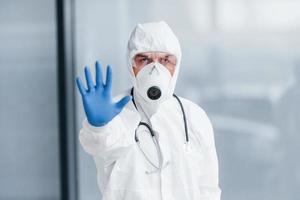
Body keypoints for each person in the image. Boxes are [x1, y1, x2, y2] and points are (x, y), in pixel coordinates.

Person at [76, 21, 221, 200]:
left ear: (176, 65)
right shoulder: (114, 112)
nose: (155, 69)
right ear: (131, 65)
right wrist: (98, 127)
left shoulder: (194, 117)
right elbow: (100, 147)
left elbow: (208, 188)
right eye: (144, 59)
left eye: (165, 60)